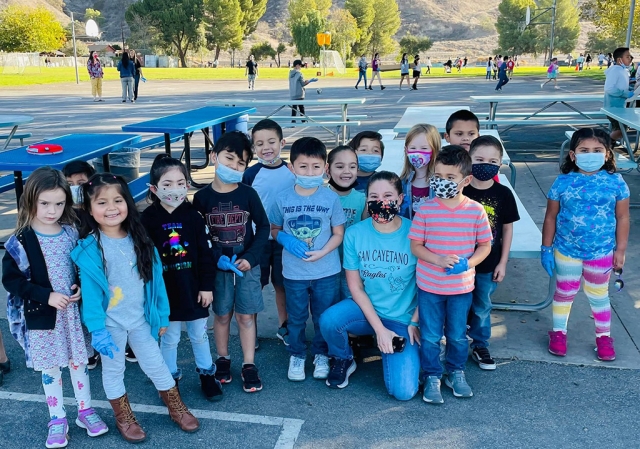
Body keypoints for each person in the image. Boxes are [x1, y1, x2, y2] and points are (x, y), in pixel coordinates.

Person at [72, 173, 199, 442]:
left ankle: (175, 405)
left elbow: (156, 284)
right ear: (89, 209)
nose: (111, 208)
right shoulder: (90, 249)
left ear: (128, 203)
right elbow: (92, 296)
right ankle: (123, 416)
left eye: (118, 200)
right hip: (110, 325)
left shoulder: (141, 240)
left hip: (141, 320)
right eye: (102, 203)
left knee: (156, 364)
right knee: (114, 369)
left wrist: (162, 315)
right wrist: (97, 329)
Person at [2, 167, 109, 448]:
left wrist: (81, 288)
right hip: (43, 318)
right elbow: (12, 282)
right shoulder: (21, 241)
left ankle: (85, 410)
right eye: (45, 203)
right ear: (30, 201)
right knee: (51, 369)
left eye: (59, 203)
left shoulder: (71, 233)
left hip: (72, 316)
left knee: (79, 363)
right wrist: (45, 296)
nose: (52, 210)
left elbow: (82, 269)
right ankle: (57, 417)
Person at [319, 171, 420, 397]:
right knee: (330, 320)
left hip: (402, 318)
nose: (380, 202)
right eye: (373, 197)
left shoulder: (415, 233)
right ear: (366, 200)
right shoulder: (355, 234)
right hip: (366, 310)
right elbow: (355, 287)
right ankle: (344, 358)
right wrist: (380, 330)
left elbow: (428, 285)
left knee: (403, 392)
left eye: (387, 196)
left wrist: (414, 322)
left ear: (401, 199)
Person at [409, 146, 492, 404]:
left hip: (461, 288)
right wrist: (439, 260)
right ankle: (432, 374)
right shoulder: (425, 209)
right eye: (438, 175)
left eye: (450, 177)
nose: (442, 182)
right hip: (430, 287)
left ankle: (455, 371)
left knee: (457, 334)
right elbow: (416, 246)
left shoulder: (476, 211)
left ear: (466, 180)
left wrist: (468, 264)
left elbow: (485, 246)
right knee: (431, 335)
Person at [541, 128, 629, 361]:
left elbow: (622, 217)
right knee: (564, 293)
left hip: (601, 251)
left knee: (598, 295)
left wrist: (620, 249)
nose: (591, 154)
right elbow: (550, 216)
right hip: (566, 250)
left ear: (608, 154)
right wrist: (546, 248)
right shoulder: (562, 182)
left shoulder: (616, 182)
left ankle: (604, 336)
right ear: (573, 155)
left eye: (597, 150)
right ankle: (558, 333)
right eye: (584, 150)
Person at [141, 154, 223, 401]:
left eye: (180, 182)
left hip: (194, 289)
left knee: (199, 334)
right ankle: (169, 381)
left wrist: (207, 287)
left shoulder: (193, 216)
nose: (175, 189)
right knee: (170, 338)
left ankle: (207, 376)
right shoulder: (147, 219)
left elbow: (207, 255)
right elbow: (143, 260)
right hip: (165, 293)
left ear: (187, 183)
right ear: (154, 188)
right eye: (167, 184)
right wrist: (151, 295)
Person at [193, 132, 269, 392]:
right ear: (214, 157)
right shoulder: (202, 198)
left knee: (246, 316)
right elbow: (199, 237)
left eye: (241, 163)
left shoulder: (248, 194)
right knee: (222, 315)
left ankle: (249, 363)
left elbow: (263, 227)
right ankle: (222, 358)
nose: (234, 167)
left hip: (246, 267)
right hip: (219, 268)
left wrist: (250, 257)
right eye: (229, 159)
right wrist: (217, 259)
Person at [269, 137, 346, 382]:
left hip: (326, 271)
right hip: (294, 273)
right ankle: (297, 354)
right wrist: (285, 240)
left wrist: (323, 252)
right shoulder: (282, 199)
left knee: (324, 316)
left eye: (315, 167)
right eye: (303, 166)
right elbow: (273, 228)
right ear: (292, 168)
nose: (309, 171)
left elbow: (338, 233)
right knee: (297, 316)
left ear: (324, 168)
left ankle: (321, 354)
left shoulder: (330, 198)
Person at [463, 136, 520, 370]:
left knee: (482, 305)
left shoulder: (504, 194)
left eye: (492, 160)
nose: (485, 164)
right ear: (469, 160)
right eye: (479, 159)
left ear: (500, 163)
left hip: (488, 264)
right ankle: (455, 340)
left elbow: (507, 228)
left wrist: (503, 262)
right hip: (461, 262)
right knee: (459, 304)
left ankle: (480, 344)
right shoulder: (460, 189)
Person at [243, 120, 296, 347]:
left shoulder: (292, 171)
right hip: (258, 240)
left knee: (282, 284)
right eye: (260, 143)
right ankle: (250, 330)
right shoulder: (250, 174)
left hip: (285, 239)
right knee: (257, 284)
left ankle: (284, 327)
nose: (266, 147)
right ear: (254, 148)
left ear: (282, 143)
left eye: (272, 142)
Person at [325, 145, 366, 299]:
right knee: (326, 305)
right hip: (326, 265)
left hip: (352, 265)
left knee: (351, 302)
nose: (347, 171)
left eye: (352, 166)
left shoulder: (363, 200)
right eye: (340, 166)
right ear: (328, 169)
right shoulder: (320, 197)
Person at [399, 124, 440, 219]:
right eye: (413, 148)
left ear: (434, 150)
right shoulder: (401, 183)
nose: (418, 153)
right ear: (406, 150)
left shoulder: (440, 183)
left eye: (424, 148)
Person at [604, 47, 634, 142]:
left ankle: (608, 146)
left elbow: (620, 85)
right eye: (627, 57)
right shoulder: (615, 71)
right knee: (621, 129)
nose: (630, 59)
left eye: (630, 56)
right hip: (613, 107)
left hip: (619, 107)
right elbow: (609, 88)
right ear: (619, 59)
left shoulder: (622, 71)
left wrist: (630, 89)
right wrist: (625, 93)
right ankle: (606, 143)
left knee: (621, 129)